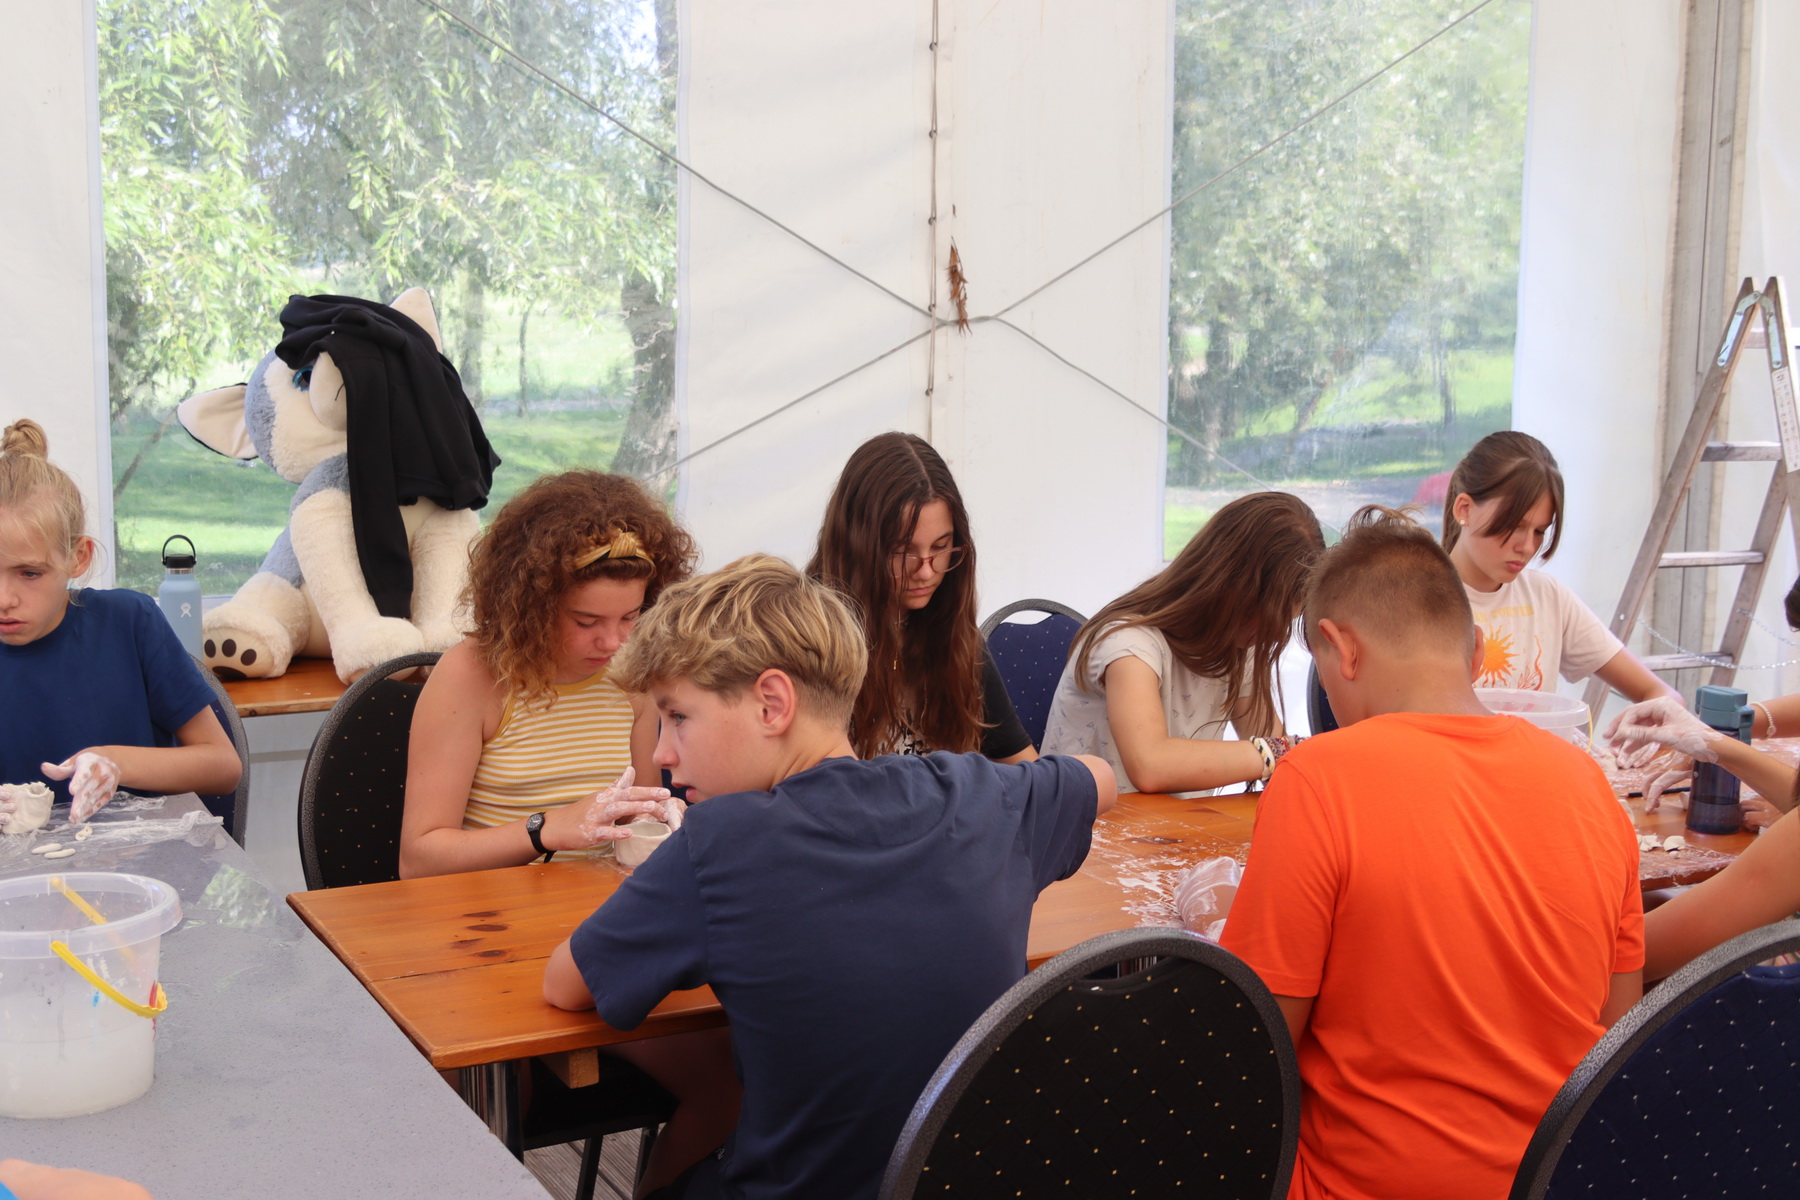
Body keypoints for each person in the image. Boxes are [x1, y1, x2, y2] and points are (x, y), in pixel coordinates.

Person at [543, 554, 1114, 1200]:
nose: (661, 753)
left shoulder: (719, 845)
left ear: (772, 704)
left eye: (677, 716)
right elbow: (1099, 779)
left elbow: (565, 984)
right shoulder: (981, 793)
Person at [1221, 506, 1643, 1200]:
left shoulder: (1318, 778)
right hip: (1562, 1181)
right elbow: (1616, 1036)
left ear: (1341, 649)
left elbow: (1254, 1053)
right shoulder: (1588, 785)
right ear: (1475, 655)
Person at [399, 471, 693, 878]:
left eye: (630, 616)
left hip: (594, 903)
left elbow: (631, 818)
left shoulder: (632, 672)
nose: (613, 642)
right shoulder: (472, 674)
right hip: (488, 907)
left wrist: (654, 820)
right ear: (530, 608)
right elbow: (419, 862)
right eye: (586, 621)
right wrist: (546, 830)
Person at [0, 419, 240, 823]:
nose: (4, 599)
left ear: (78, 558)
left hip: (139, 855)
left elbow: (223, 767)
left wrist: (114, 763)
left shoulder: (129, 624)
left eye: (30, 573)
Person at [1041, 491, 1324, 796]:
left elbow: (1278, 753)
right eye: (1272, 619)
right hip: (1091, 824)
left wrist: (1290, 757)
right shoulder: (1128, 644)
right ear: (1232, 589)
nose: (1278, 635)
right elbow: (1150, 764)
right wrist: (1278, 752)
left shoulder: (1239, 647)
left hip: (1174, 823)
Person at [806, 431, 1034, 762]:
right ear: (857, 545)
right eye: (903, 552)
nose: (926, 572)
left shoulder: (956, 639)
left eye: (941, 547)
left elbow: (1023, 765)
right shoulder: (804, 639)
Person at [1443, 430, 1675, 703]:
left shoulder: (1547, 597)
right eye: (1514, 526)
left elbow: (1661, 694)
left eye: (1540, 531)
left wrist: (1656, 714)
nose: (1527, 547)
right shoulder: (1416, 598)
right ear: (1464, 509)